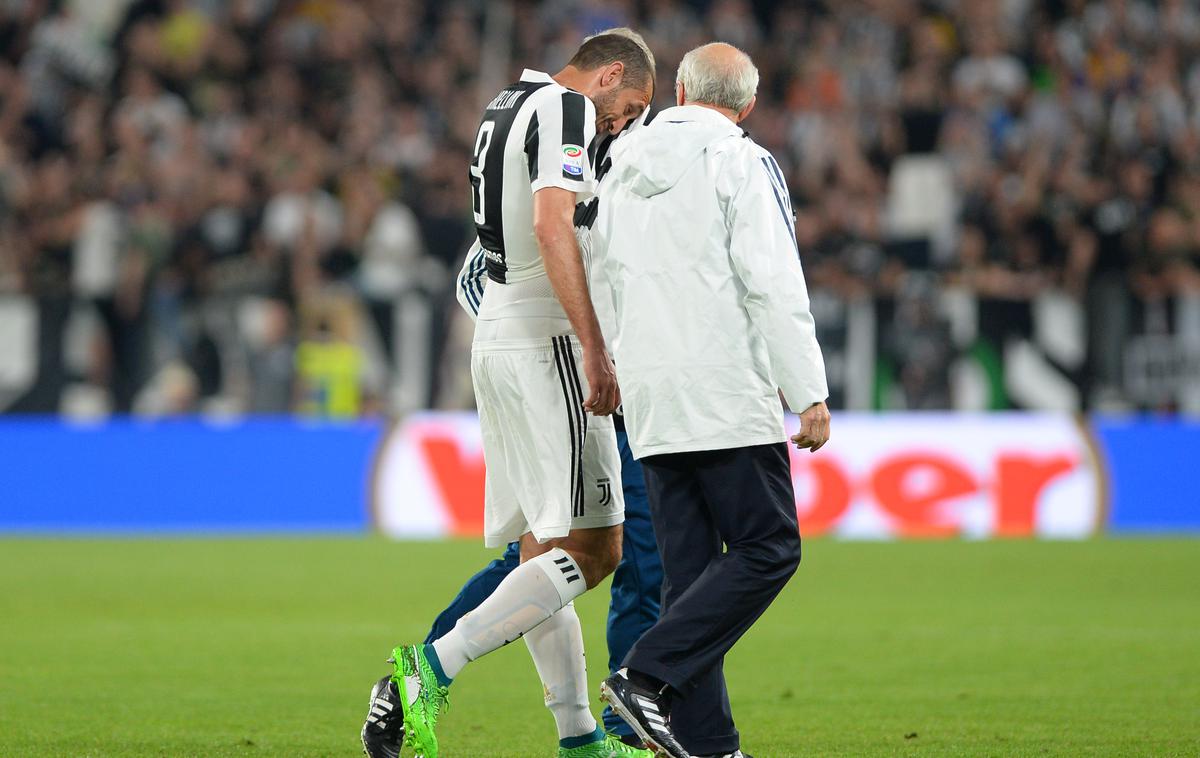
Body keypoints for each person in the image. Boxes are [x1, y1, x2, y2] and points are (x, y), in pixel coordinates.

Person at [361, 31, 654, 758]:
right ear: (609, 73)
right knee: (598, 546)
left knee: (541, 549)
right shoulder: (567, 110)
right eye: (630, 104)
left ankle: (580, 738)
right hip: (545, 334)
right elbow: (551, 221)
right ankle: (425, 671)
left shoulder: (504, 104)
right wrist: (592, 343)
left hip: (496, 331)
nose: (622, 122)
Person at [593, 43, 832, 758]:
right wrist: (808, 392)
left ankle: (711, 746)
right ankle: (644, 674)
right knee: (769, 548)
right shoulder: (742, 161)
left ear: (679, 89)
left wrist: (614, 367)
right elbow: (771, 281)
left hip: (653, 402)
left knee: (690, 582)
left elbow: (599, 271)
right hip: (725, 393)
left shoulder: (622, 162)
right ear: (747, 105)